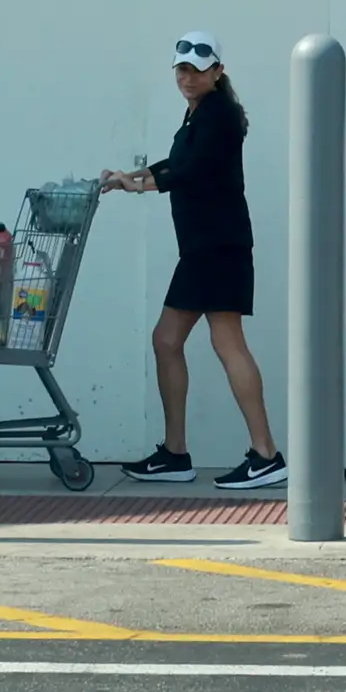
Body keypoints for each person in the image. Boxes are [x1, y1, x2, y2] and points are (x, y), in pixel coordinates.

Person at [107, 31, 283, 490]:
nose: (188, 76)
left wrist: (138, 186)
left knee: (227, 343)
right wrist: (133, 175)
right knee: (167, 340)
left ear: (218, 72)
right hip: (204, 249)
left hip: (217, 248)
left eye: (199, 68)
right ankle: (175, 453)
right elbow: (175, 162)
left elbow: (189, 172)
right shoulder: (198, 115)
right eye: (181, 69)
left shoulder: (220, 115)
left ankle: (266, 454)